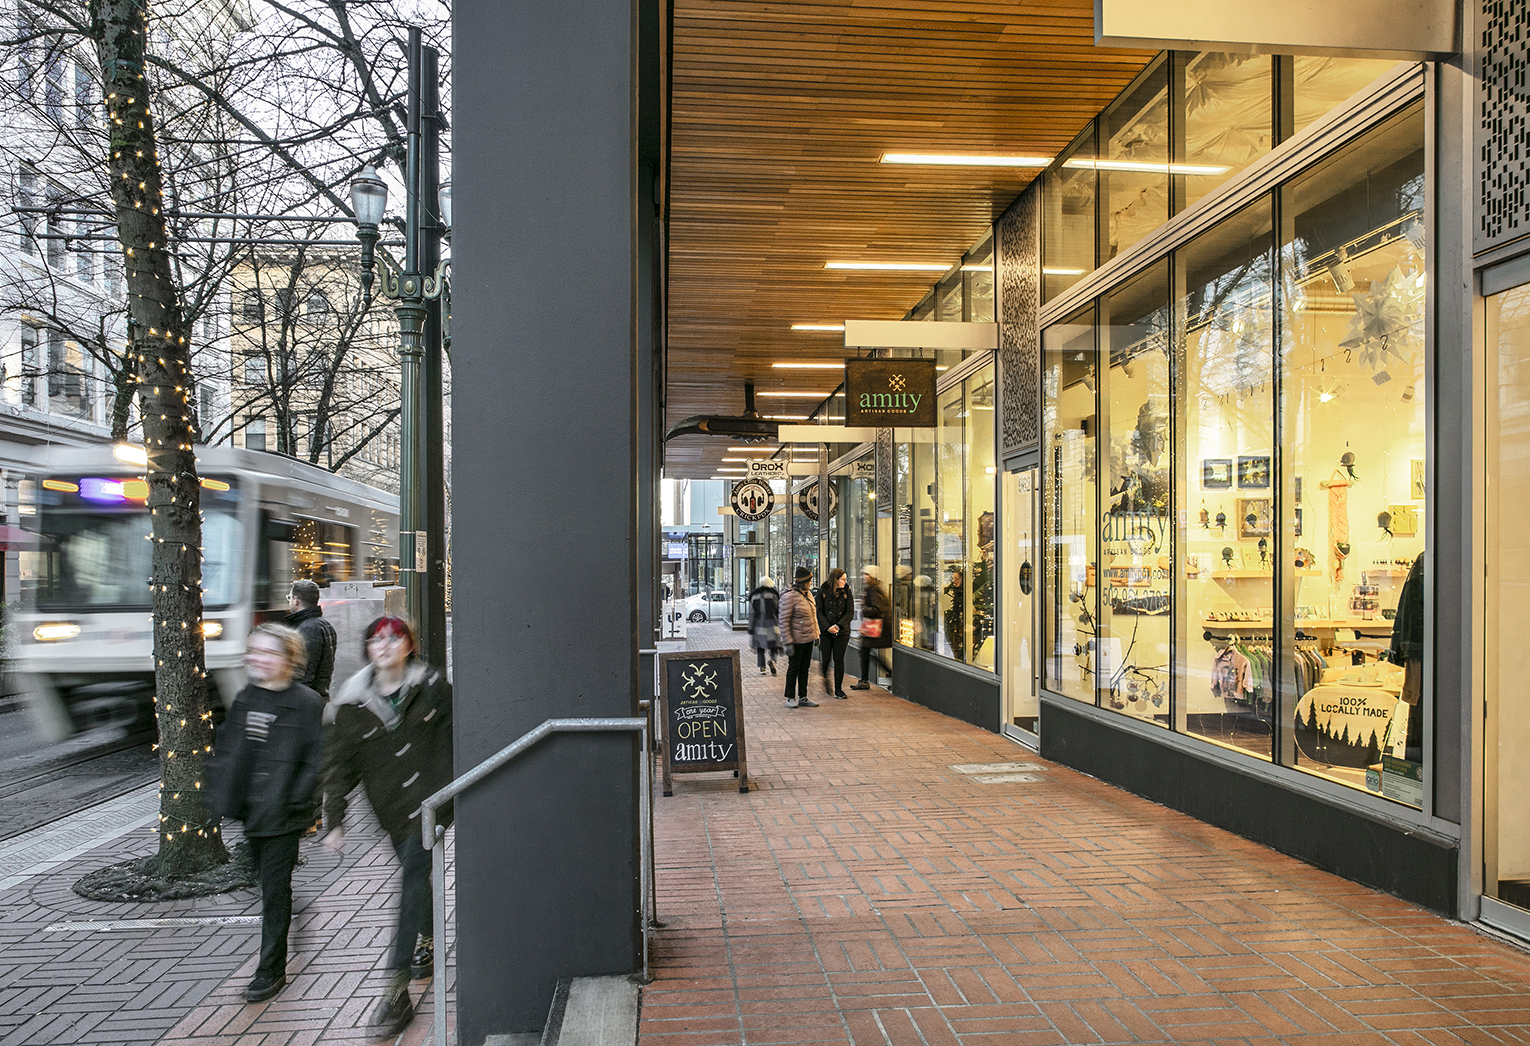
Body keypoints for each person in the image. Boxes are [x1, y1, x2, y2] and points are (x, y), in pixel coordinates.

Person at [322, 617, 453, 1038]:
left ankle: (395, 991)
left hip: (432, 805)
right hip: (393, 810)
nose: (385, 645)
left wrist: (451, 790)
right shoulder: (350, 704)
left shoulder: (433, 688)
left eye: (394, 638)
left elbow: (457, 736)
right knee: (417, 877)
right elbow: (340, 767)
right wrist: (335, 821)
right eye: (376, 639)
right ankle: (430, 937)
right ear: (368, 649)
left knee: (412, 878)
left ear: (409, 646)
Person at [205, 624, 324, 1004]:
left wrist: (298, 801)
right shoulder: (247, 697)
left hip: (283, 814)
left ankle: (270, 971)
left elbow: (317, 760)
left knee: (273, 892)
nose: (257, 658)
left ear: (289, 660)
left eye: (268, 652)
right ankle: (288, 915)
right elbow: (228, 747)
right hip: (251, 811)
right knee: (268, 886)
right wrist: (221, 795)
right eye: (253, 650)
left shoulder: (307, 702)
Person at [285, 579, 337, 700]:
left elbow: (304, 675)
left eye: (289, 598)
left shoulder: (308, 629)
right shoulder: (324, 625)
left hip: (306, 701)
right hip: (318, 696)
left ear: (296, 601)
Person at [779, 566, 820, 708]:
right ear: (802, 582)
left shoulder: (807, 594)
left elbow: (813, 616)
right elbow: (784, 620)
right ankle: (790, 697)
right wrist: (787, 642)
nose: (810, 584)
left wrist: (816, 634)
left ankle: (803, 696)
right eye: (809, 581)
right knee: (794, 668)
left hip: (808, 638)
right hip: (795, 640)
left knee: (805, 669)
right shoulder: (789, 596)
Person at [851, 565, 891, 690]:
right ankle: (867, 679)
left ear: (872, 576)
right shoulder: (873, 588)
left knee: (865, 652)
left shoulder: (873, 589)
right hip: (874, 628)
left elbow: (877, 608)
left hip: (874, 628)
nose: (864, 577)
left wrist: (864, 610)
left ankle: (866, 680)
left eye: (866, 575)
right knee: (866, 653)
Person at [815, 567, 854, 698]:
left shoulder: (846, 591)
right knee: (826, 659)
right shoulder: (822, 591)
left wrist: (839, 626)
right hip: (826, 632)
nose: (845, 581)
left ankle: (838, 689)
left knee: (839, 659)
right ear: (835, 580)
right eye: (843, 579)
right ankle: (826, 680)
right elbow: (819, 611)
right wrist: (827, 627)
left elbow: (849, 612)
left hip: (842, 631)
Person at [748, 575, 781, 675]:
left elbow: (751, 613)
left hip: (759, 624)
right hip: (772, 624)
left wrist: (750, 627)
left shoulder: (754, 596)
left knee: (760, 647)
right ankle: (772, 660)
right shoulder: (774, 595)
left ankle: (762, 668)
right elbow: (779, 610)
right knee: (774, 645)